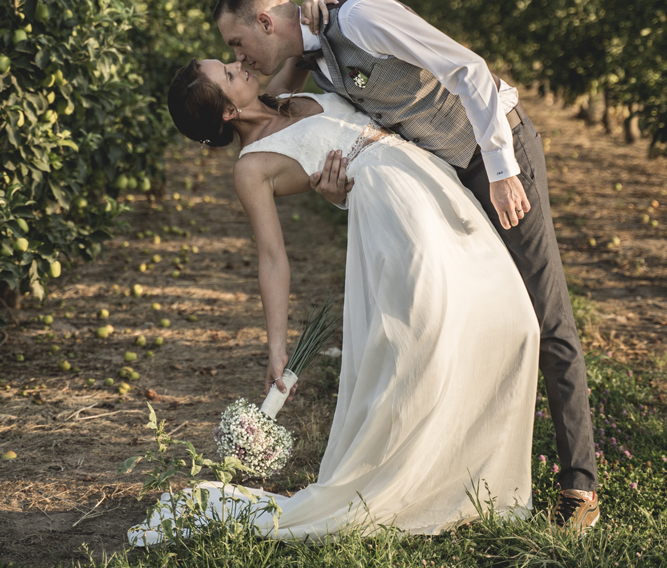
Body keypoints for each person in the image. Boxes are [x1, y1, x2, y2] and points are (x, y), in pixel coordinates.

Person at [213, 0, 600, 533]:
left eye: (236, 45)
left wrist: (501, 170)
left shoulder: (361, 19)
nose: (241, 58)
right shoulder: (317, 64)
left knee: (546, 314)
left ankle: (579, 487)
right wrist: (335, 190)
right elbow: (345, 131)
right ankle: (470, 468)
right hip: (443, 176)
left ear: (264, 22)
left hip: (496, 156)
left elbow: (468, 70)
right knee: (477, 313)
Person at [149, 54, 540, 542]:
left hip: (427, 177)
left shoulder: (283, 92)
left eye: (230, 59)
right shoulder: (252, 168)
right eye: (228, 74)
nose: (239, 65)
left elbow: (291, 39)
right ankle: (426, 478)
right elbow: (272, 257)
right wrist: (276, 346)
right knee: (428, 333)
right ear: (227, 113)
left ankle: (474, 466)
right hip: (393, 214)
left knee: (513, 316)